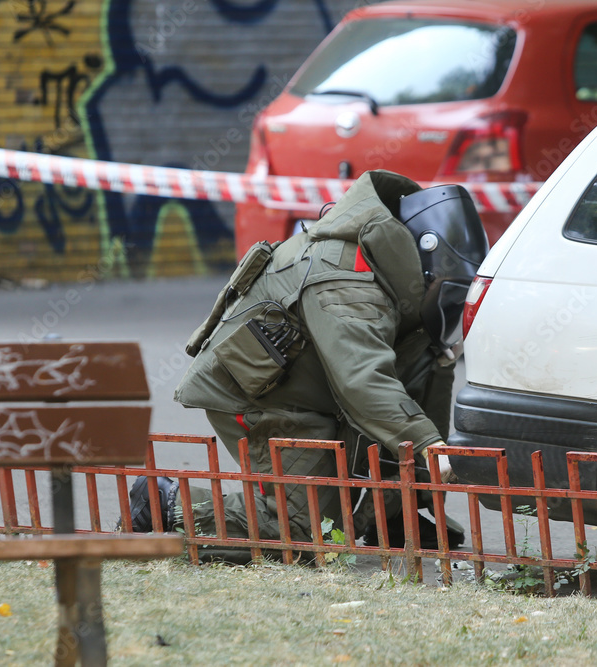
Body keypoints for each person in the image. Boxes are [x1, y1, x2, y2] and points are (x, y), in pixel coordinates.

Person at [131, 170, 487, 557]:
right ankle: (166, 505)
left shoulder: (384, 269)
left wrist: (421, 466)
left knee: (425, 361)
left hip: (312, 392)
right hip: (263, 400)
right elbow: (361, 381)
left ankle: (393, 512)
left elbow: (410, 373)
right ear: (427, 260)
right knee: (307, 535)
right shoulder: (347, 281)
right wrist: (428, 444)